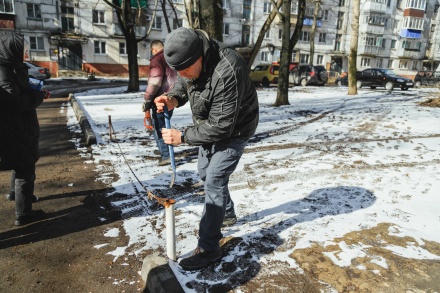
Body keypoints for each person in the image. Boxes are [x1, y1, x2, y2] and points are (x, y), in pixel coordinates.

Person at [154, 27, 259, 270]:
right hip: (209, 124)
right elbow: (186, 81)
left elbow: (222, 127)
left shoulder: (227, 70)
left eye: (184, 68)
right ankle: (227, 213)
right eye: (176, 69)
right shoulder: (190, 58)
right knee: (204, 172)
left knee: (214, 179)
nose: (181, 74)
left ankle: (209, 247)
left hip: (236, 129)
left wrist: (182, 137)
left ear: (199, 56)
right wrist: (173, 98)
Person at [0, 31, 50, 226]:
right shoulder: (3, 71)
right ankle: (23, 213)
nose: (26, 52)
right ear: (11, 49)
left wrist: (37, 91)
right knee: (25, 166)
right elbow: (15, 103)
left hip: (19, 125)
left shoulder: (12, 67)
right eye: (23, 49)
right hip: (13, 127)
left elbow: (21, 89)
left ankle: (15, 195)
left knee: (22, 160)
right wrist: (37, 97)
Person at [143, 40, 177, 166]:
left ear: (154, 49)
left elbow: (155, 82)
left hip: (160, 98)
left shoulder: (157, 59)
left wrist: (147, 99)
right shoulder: (172, 58)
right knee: (164, 125)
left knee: (160, 128)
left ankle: (166, 155)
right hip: (172, 97)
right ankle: (167, 152)